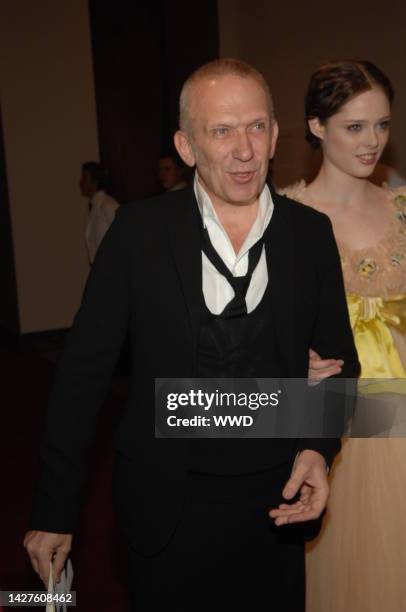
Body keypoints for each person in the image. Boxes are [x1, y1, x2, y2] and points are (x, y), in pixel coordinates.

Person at [24, 59, 359, 611]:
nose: (244, 150)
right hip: (166, 508)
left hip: (275, 507)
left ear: (276, 135)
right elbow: (82, 378)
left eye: (256, 127)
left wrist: (318, 450)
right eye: (221, 131)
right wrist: (53, 510)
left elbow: (340, 365)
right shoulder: (137, 234)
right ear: (186, 146)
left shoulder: (310, 235)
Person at [281, 59, 406, 612]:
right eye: (354, 127)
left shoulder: (403, 207)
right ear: (316, 126)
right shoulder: (286, 215)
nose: (372, 141)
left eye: (381, 125)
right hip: (338, 425)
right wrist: (289, 360)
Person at [79, 161, 119, 264]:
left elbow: (123, 235)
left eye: (85, 178)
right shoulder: (92, 209)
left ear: (95, 182)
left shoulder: (108, 205)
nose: (81, 182)